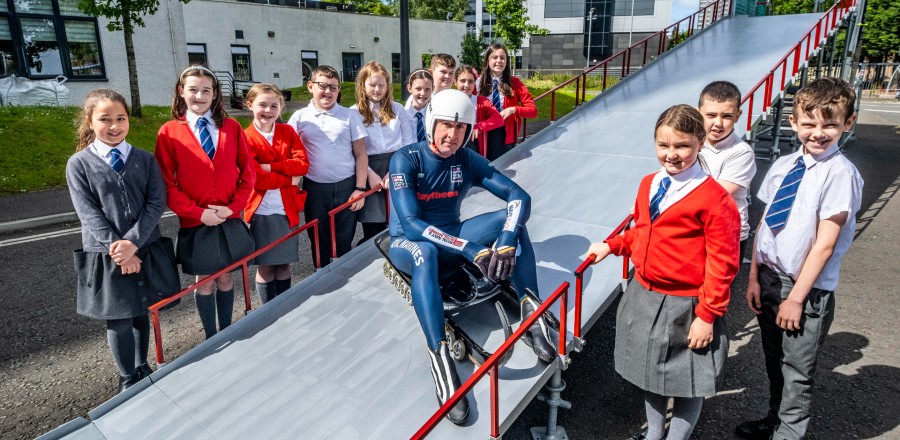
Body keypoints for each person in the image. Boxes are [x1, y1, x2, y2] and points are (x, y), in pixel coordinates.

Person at [388, 90, 558, 425]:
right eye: (446, 126)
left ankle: (529, 307)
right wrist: (468, 248)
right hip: (410, 243)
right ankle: (439, 357)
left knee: (513, 222)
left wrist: (506, 239)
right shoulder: (406, 159)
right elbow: (410, 224)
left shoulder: (466, 158)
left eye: (461, 128)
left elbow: (517, 196)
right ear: (431, 122)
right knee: (424, 252)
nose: (452, 135)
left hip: (454, 236)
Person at [587, 105, 740, 440]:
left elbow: (723, 262)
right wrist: (612, 246)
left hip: (687, 303)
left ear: (700, 142)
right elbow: (643, 231)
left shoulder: (715, 200)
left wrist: (708, 315)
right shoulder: (649, 183)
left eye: (682, 146)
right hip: (646, 292)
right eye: (664, 145)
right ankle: (654, 435)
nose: (672, 155)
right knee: (652, 375)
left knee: (687, 382)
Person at [735, 77, 863, 440]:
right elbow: (766, 223)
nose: (818, 133)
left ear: (847, 124)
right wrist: (755, 277)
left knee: (797, 370)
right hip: (772, 278)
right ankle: (774, 421)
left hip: (803, 289)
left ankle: (788, 433)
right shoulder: (785, 165)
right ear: (793, 123)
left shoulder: (839, 174)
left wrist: (795, 298)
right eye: (809, 123)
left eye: (830, 124)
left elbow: (824, 245)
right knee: (775, 360)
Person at [67, 89, 180, 392]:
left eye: (121, 118)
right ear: (90, 122)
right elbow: (87, 212)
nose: (114, 126)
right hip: (107, 255)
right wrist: (120, 250)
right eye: (105, 119)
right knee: (118, 318)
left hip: (144, 247)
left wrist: (133, 243)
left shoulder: (144, 159)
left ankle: (142, 366)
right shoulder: (78, 164)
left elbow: (156, 203)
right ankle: (127, 377)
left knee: (142, 311)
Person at [155, 65, 255, 339]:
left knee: (226, 276)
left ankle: (227, 329)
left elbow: (248, 174)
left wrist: (233, 208)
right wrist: (198, 213)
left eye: (205, 91)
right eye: (193, 90)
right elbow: (166, 184)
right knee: (205, 280)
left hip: (227, 216)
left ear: (214, 95)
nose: (199, 96)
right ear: (181, 91)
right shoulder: (169, 132)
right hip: (198, 221)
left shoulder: (232, 127)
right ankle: (211, 335)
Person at [287, 65, 368, 267]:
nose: (328, 92)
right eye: (322, 86)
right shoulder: (300, 117)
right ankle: (320, 272)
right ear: (310, 86)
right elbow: (287, 152)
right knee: (318, 235)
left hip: (346, 185)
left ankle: (344, 275)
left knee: (344, 236)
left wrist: (359, 188)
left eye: (333, 87)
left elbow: (361, 154)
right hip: (315, 187)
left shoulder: (348, 116)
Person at [242, 83, 309, 304]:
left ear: (280, 108)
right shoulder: (245, 137)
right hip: (262, 212)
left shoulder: (287, 132)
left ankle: (284, 305)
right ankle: (266, 309)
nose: (268, 111)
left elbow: (302, 165)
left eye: (274, 105)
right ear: (250, 105)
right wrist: (289, 179)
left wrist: (270, 167)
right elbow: (256, 178)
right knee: (266, 265)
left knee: (284, 263)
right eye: (262, 105)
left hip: (286, 210)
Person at [351, 61, 415, 244]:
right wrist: (369, 174)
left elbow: (408, 144)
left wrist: (393, 171)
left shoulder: (398, 110)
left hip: (396, 165)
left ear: (388, 86)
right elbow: (354, 150)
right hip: (368, 169)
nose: (377, 89)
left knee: (400, 219)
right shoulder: (353, 113)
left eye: (381, 85)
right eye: (372, 85)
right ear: (363, 85)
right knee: (373, 225)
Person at [697, 80, 757, 261]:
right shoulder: (692, 144)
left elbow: (715, 195)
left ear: (738, 115)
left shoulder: (741, 152)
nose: (718, 123)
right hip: (697, 231)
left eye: (727, 116)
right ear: (698, 112)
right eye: (711, 115)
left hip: (726, 237)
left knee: (715, 289)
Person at [478, 43, 537, 161]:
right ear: (487, 60)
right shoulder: (477, 83)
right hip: (480, 133)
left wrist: (513, 109)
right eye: (495, 57)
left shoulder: (515, 83)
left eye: (503, 58)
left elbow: (533, 111)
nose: (499, 61)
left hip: (503, 135)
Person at [455, 64, 504, 155]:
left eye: (470, 81)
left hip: (474, 145)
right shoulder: (449, 100)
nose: (466, 85)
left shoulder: (482, 101)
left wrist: (479, 127)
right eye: (462, 81)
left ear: (474, 83)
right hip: (454, 144)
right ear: (455, 82)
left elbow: (499, 119)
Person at [405, 70, 434, 143]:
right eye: (418, 89)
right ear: (409, 88)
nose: (423, 93)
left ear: (433, 89)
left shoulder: (435, 115)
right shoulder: (403, 115)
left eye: (427, 89)